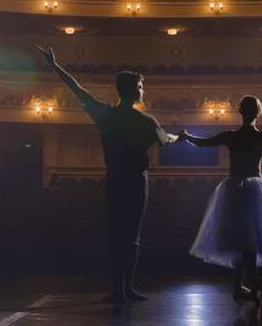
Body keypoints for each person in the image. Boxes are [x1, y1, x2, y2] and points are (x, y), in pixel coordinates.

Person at [37, 46, 180, 303]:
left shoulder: (105, 114)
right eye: (140, 86)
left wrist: (54, 65)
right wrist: (180, 136)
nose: (142, 90)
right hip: (136, 182)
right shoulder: (147, 121)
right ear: (133, 89)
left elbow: (76, 88)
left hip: (114, 180)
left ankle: (119, 289)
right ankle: (128, 288)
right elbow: (166, 141)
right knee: (132, 237)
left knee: (116, 235)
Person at [180, 70, 262, 303]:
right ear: (257, 113)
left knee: (242, 240)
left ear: (240, 111)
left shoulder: (231, 135)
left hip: (234, 189)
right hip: (255, 189)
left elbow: (203, 144)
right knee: (247, 239)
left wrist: (186, 136)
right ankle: (250, 279)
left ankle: (241, 285)